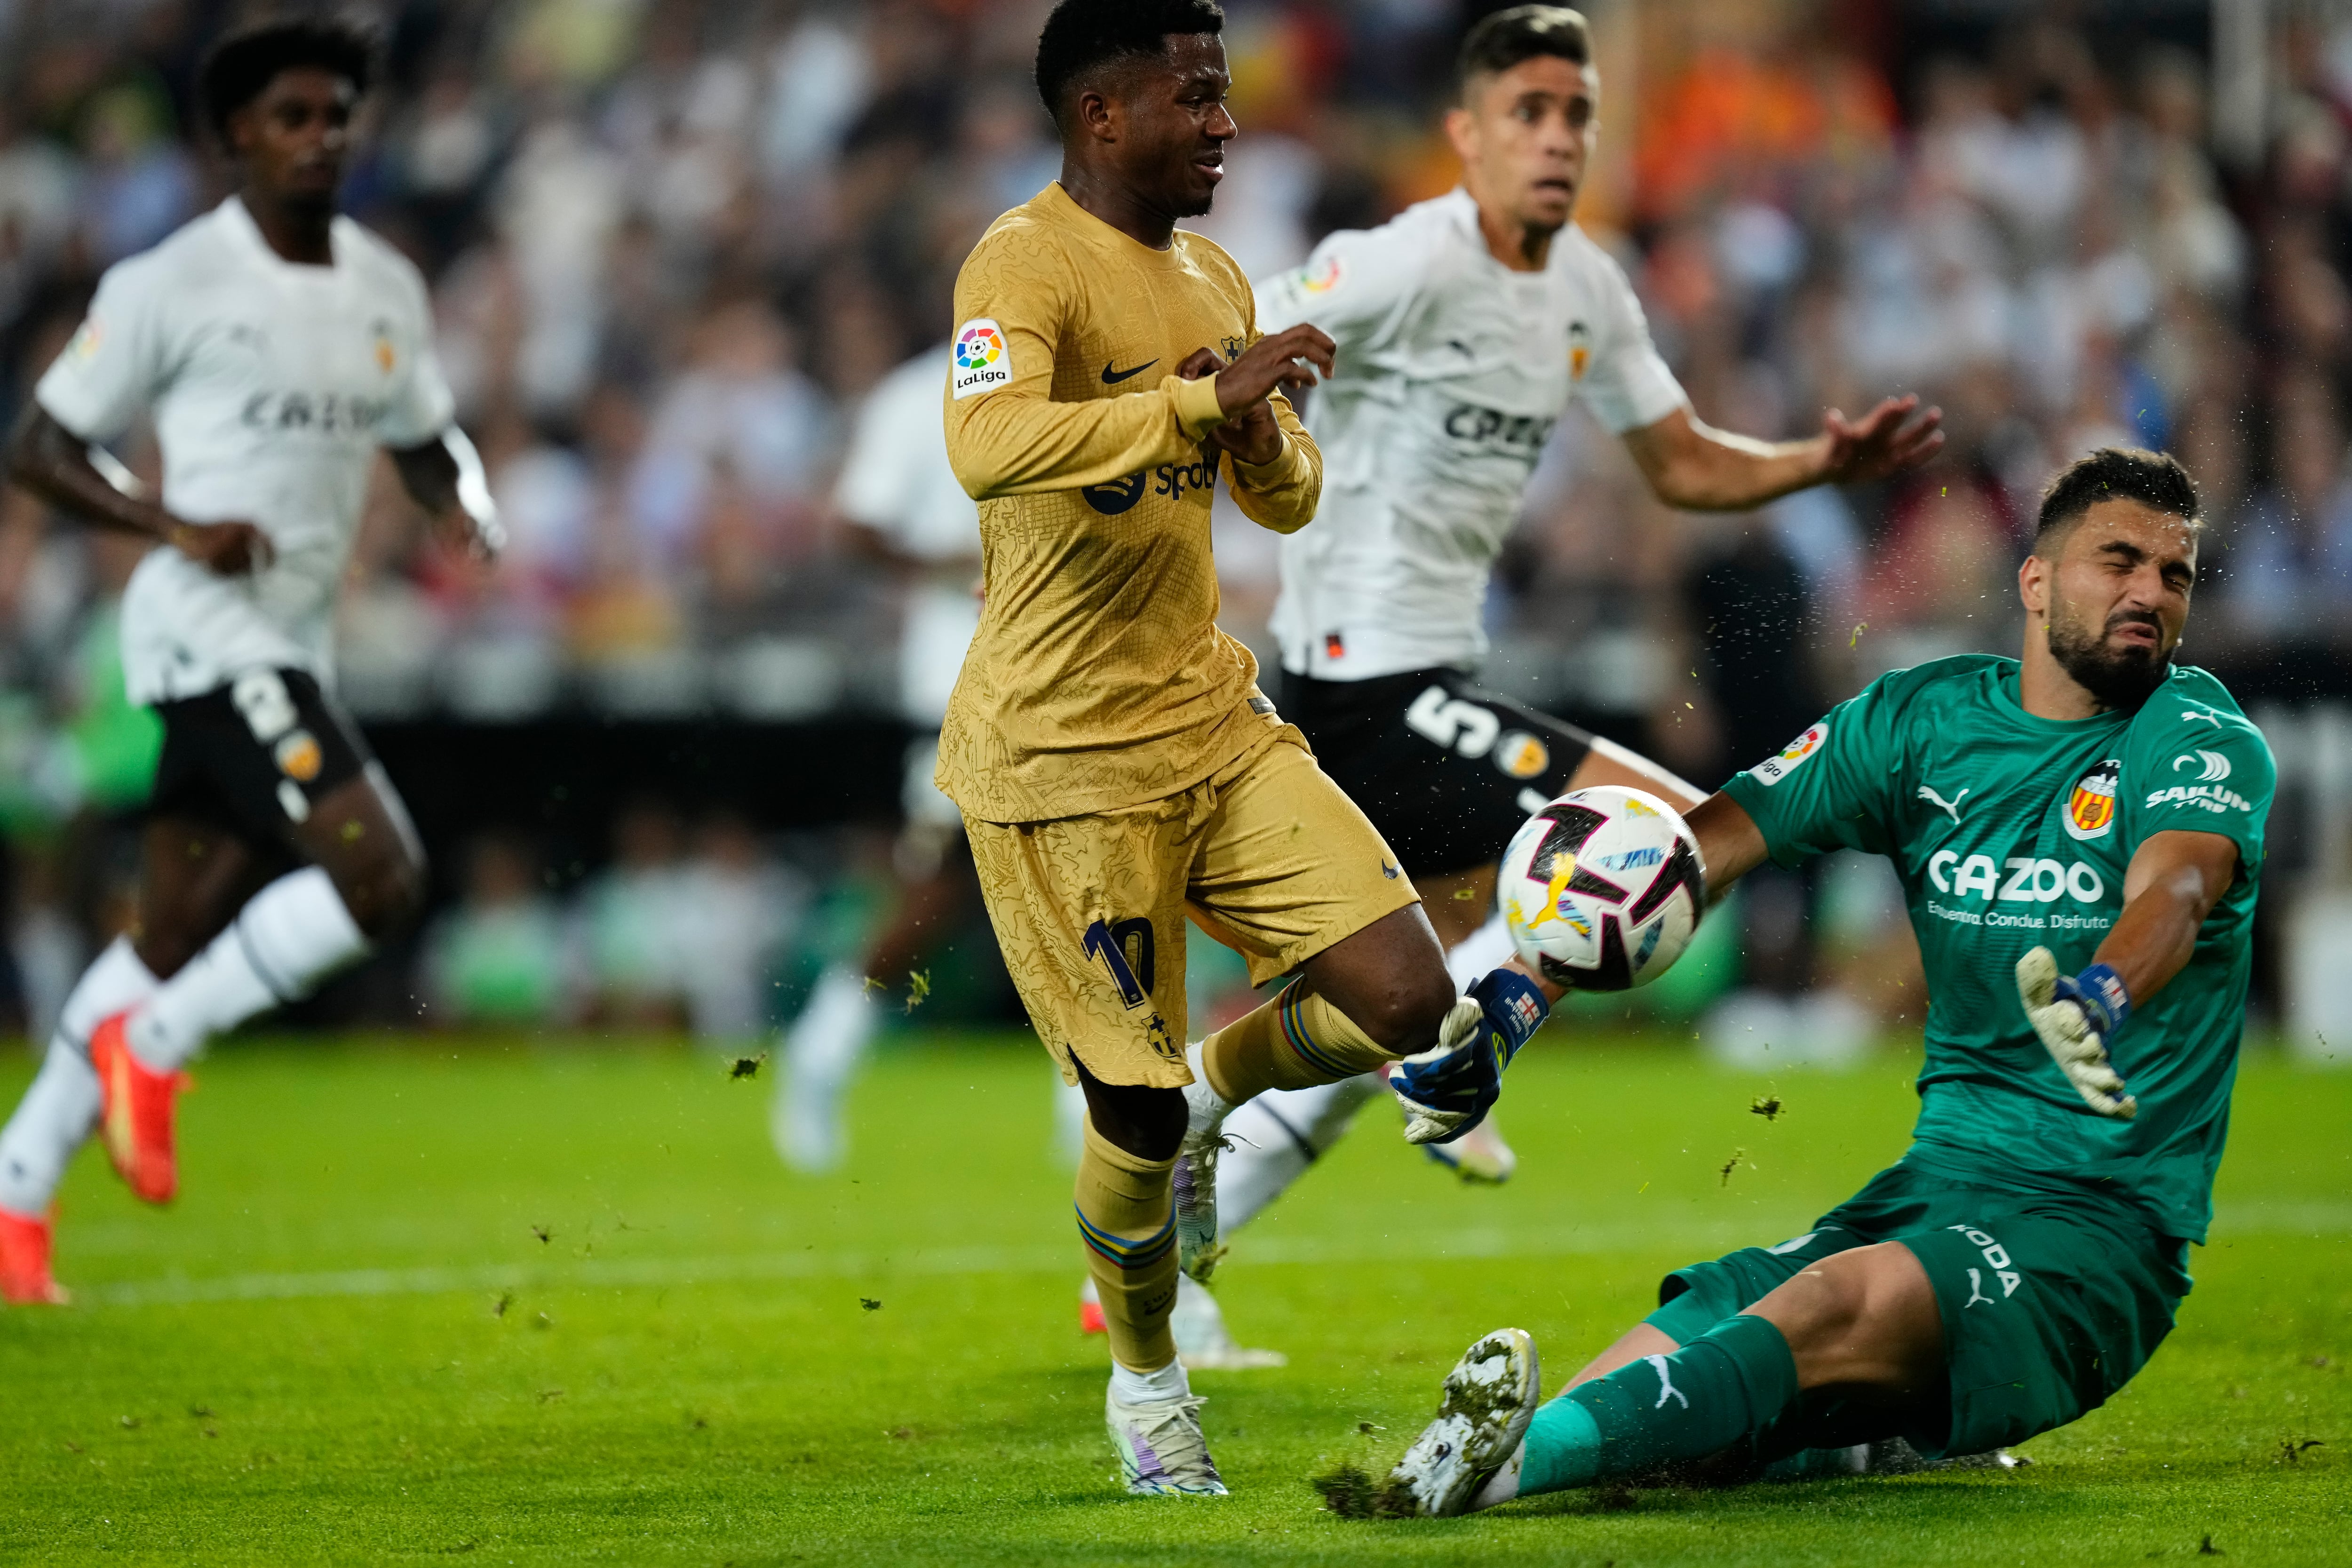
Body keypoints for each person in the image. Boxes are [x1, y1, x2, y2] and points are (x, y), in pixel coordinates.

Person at [1197, 3, 1942, 1337]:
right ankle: (1475, 1052)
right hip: (1360, 685)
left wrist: (1817, 462)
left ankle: (1179, 1240)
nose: (1556, 141)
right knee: (1659, 829)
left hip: (1430, 682)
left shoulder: (1588, 287)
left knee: (1382, 1004)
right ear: (1467, 136)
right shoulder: (1400, 261)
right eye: (1528, 116)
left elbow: (1684, 461)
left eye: (1576, 117)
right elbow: (1228, 338)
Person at [1358, 448, 2273, 1517]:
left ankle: (1480, 1477)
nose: (2148, 594)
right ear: (2034, 580)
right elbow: (1680, 864)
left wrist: (2103, 993)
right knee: (1694, 1331)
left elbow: (2177, 890)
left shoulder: (2198, 736)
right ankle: (1845, 1441)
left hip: (2096, 1233)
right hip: (1933, 1187)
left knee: (1838, 1298)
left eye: (2175, 575)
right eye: (2118, 560)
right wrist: (1511, 1006)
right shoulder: (1917, 723)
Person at [940, 0, 1563, 1497]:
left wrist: (1267, 421)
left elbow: (1279, 502)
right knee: (1128, 1115)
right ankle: (1149, 1378)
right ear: (1104, 115)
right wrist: (1189, 398)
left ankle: (1220, 1089)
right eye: (1196, 97)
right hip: (1059, 757)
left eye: (1224, 96)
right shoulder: (1022, 261)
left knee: (1409, 994)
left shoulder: (1212, 270)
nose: (1226, 123)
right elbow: (986, 442)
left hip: (1211, 720)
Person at [0, 19, 499, 1306]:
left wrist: (465, 502)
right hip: (206, 630)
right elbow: (41, 443)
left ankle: (15, 1195)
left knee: (167, 927)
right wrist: (174, 525)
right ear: (234, 137)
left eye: (338, 114)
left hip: (296, 634)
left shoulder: (386, 283)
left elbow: (431, 434)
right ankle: (153, 1045)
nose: (322, 136)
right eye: (293, 115)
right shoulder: (172, 280)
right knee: (380, 875)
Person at [773, 339, 987, 1172]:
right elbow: (856, 524)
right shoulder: (918, 391)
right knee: (937, 896)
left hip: (1075, 669)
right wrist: (956, 561)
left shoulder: (1087, 372)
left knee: (1097, 878)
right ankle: (822, 1052)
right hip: (957, 675)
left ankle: (1095, 1108)